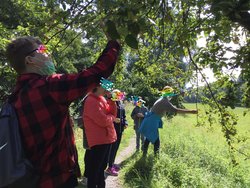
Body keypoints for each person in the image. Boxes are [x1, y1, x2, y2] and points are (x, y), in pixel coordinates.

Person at [5, 36, 121, 188]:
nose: (48, 54)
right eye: (43, 50)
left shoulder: (14, 98)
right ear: (30, 60)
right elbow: (98, 72)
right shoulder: (48, 87)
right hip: (58, 180)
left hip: (33, 180)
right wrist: (114, 42)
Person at [139, 86, 198, 156]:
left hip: (150, 120)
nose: (172, 95)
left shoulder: (162, 98)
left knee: (149, 137)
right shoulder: (164, 101)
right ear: (169, 94)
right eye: (171, 93)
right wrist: (191, 111)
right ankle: (155, 156)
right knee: (156, 140)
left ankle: (144, 155)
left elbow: (172, 100)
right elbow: (175, 110)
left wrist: (180, 93)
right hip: (152, 121)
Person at [82, 85, 120, 188]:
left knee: (101, 167)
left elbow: (112, 112)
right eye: (106, 87)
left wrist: (111, 100)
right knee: (95, 169)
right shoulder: (90, 100)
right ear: (98, 86)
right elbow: (103, 121)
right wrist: (112, 118)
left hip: (106, 138)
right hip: (98, 140)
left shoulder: (102, 98)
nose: (108, 90)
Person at [106, 98, 128, 176]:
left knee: (116, 148)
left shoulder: (121, 104)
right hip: (113, 130)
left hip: (120, 130)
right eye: (116, 94)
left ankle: (112, 163)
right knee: (112, 148)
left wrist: (125, 123)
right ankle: (109, 167)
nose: (118, 96)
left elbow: (124, 116)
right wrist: (114, 119)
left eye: (119, 95)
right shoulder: (110, 103)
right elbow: (106, 115)